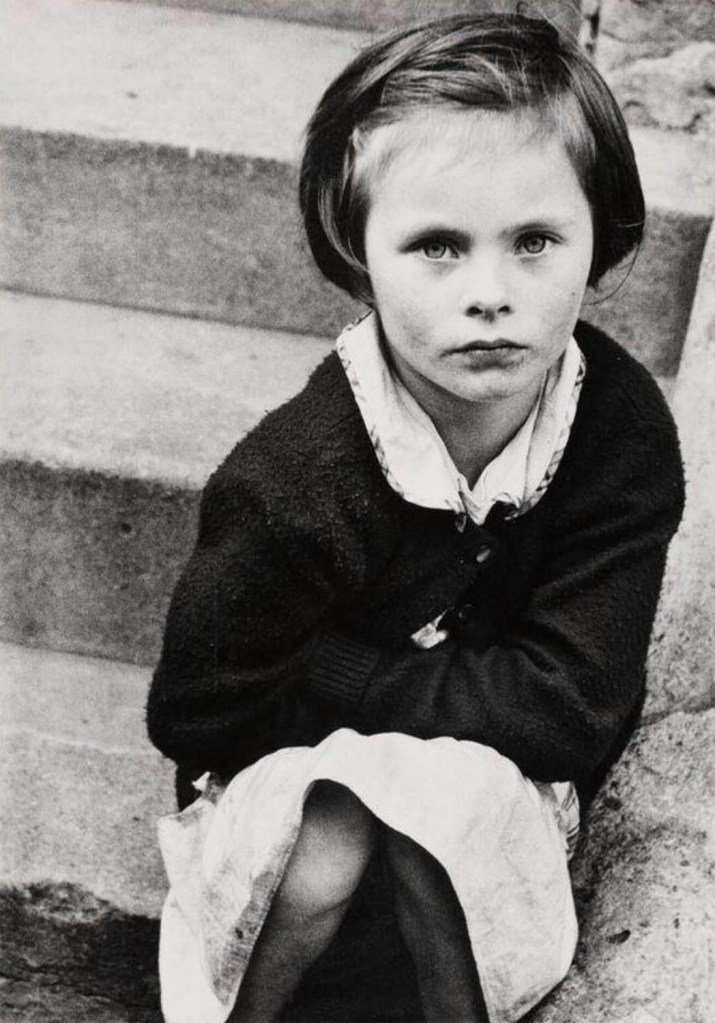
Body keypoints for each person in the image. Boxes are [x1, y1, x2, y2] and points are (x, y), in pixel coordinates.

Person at [147, 13, 685, 1023]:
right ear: (358, 254)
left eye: (533, 241)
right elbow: (197, 711)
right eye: (436, 246)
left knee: (443, 807)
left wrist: (341, 673)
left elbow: (571, 709)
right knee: (338, 820)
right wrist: (373, 759)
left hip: (493, 807)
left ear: (599, 241)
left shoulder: (615, 432)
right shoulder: (298, 477)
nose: (490, 294)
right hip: (283, 813)